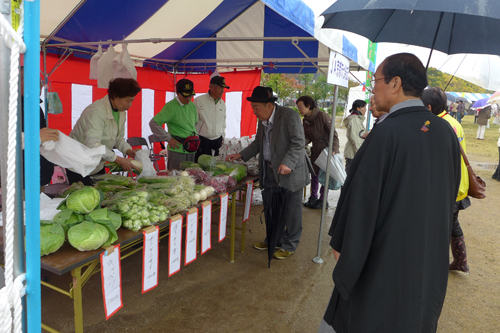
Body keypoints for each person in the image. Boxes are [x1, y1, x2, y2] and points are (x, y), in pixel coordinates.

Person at [319, 53, 461, 333]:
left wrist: (344, 247)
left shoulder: (386, 133)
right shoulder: (445, 131)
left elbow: (362, 200)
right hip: (426, 254)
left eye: (376, 81)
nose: (373, 88)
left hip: (383, 259)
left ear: (395, 83)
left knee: (368, 314)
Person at [226, 86, 311, 259]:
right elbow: (258, 143)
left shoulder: (289, 116)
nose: (254, 111)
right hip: (270, 171)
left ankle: (290, 244)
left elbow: (298, 143)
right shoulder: (262, 121)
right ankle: (273, 239)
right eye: (253, 107)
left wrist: (287, 163)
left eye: (256, 107)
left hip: (290, 172)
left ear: (269, 105)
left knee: (290, 211)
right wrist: (241, 154)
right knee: (272, 208)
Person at [422, 87, 470, 274]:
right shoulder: (451, 121)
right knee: (451, 223)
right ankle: (460, 260)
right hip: (457, 183)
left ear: (428, 106)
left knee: (442, 224)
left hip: (449, 185)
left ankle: (449, 262)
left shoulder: (437, 124)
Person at [69, 78, 141, 185]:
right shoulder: (96, 112)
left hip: (97, 165)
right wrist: (118, 159)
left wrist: (128, 150)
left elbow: (118, 139)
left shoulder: (121, 112)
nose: (130, 105)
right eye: (128, 100)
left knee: (102, 195)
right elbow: (93, 144)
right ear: (115, 96)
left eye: (132, 101)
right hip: (79, 165)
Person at [296, 95, 339, 210]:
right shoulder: (305, 120)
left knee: (324, 177)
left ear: (308, 106)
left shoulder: (322, 116)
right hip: (315, 151)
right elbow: (308, 137)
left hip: (327, 151)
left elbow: (333, 133)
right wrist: (299, 144)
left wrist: (334, 149)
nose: (299, 110)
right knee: (314, 175)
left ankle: (323, 200)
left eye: (300, 107)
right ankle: (313, 197)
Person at [150, 79, 198, 170]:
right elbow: (153, 123)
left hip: (191, 149)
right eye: (185, 96)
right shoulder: (170, 107)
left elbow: (195, 124)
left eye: (190, 95)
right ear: (178, 93)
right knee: (175, 178)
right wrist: (168, 138)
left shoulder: (192, 105)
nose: (188, 98)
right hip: (177, 151)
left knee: (191, 178)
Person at [194, 76, 229, 161]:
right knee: (202, 167)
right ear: (212, 87)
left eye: (223, 88)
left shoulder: (222, 103)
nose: (223, 91)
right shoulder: (199, 101)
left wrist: (222, 136)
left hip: (218, 141)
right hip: (203, 140)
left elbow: (223, 121)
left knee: (217, 166)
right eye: (221, 87)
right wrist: (195, 138)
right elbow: (193, 122)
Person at [343, 99, 366, 174]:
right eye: (364, 107)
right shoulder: (355, 120)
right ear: (358, 108)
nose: (366, 109)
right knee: (351, 178)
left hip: (352, 153)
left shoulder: (355, 119)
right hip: (353, 155)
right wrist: (359, 155)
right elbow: (356, 140)